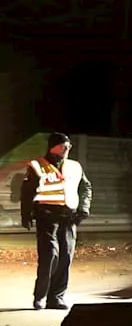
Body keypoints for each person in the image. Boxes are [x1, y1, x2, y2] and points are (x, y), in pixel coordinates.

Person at [21, 132, 92, 310]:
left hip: (69, 217)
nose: (67, 149)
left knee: (66, 256)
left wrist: (84, 208)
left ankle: (56, 298)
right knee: (50, 255)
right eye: (63, 146)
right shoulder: (37, 165)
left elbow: (86, 187)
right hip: (47, 216)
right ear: (53, 147)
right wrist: (26, 214)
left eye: (69, 146)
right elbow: (27, 191)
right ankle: (40, 296)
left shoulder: (74, 166)